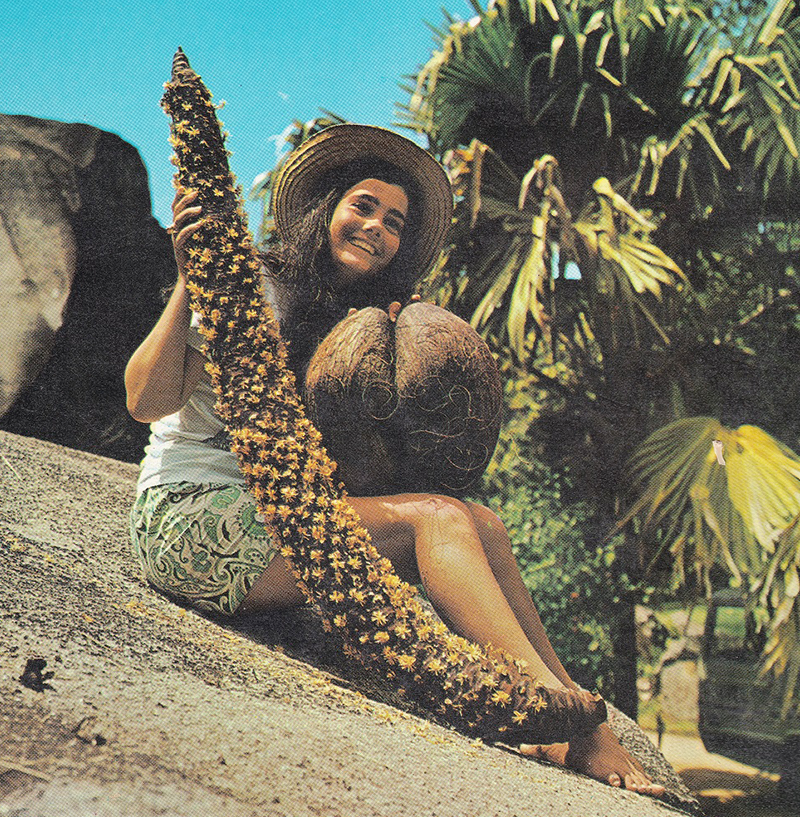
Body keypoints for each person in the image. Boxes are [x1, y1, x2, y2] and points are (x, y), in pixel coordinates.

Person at [125, 124, 664, 796]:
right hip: (196, 518)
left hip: (283, 518)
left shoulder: (360, 323)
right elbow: (145, 401)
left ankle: (569, 707)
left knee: (481, 522)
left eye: (395, 221)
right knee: (435, 520)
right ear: (328, 210)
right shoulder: (257, 281)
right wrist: (190, 281)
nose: (376, 226)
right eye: (363, 206)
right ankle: (572, 724)